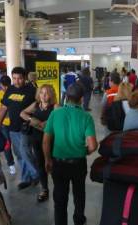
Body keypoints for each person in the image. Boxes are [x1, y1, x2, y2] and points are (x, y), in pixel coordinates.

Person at [43, 82, 98, 225]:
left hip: (58, 163)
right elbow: (93, 146)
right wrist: (82, 151)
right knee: (79, 194)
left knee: (60, 198)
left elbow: (46, 141)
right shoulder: (86, 117)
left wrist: (48, 159)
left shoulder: (55, 114)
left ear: (66, 97)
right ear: (81, 99)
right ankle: (79, 219)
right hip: (78, 164)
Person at [0, 67, 39, 190]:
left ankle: (37, 174)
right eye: (14, 78)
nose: (17, 81)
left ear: (25, 78)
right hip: (13, 127)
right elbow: (4, 107)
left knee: (24, 150)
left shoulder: (31, 90)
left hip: (26, 127)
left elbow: (37, 107)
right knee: (19, 154)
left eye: (20, 78)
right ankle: (26, 178)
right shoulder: (10, 89)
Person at [21, 84, 59, 202]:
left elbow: (60, 118)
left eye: (46, 93)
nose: (43, 95)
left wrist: (47, 122)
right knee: (40, 164)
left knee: (53, 164)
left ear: (51, 95)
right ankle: (44, 189)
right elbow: (22, 113)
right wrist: (31, 119)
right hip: (36, 138)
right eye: (42, 93)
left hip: (51, 140)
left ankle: (58, 188)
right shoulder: (36, 105)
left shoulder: (55, 106)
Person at [0, 75, 16, 175]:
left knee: (18, 146)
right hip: (4, 124)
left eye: (7, 85)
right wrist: (3, 108)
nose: (5, 88)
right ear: (0, 85)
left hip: (15, 123)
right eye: (3, 86)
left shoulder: (14, 94)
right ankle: (11, 164)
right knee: (7, 145)